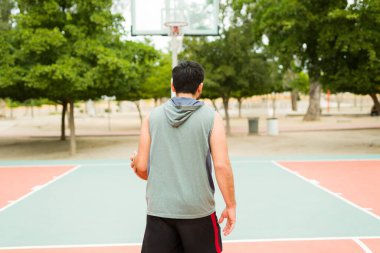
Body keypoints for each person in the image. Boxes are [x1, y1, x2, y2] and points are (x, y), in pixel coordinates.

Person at [130, 61, 236, 253]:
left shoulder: (151, 117)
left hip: (160, 210)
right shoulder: (212, 118)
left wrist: (136, 165)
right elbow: (221, 166)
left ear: (172, 85)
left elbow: (143, 168)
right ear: (200, 87)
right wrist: (231, 205)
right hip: (199, 211)